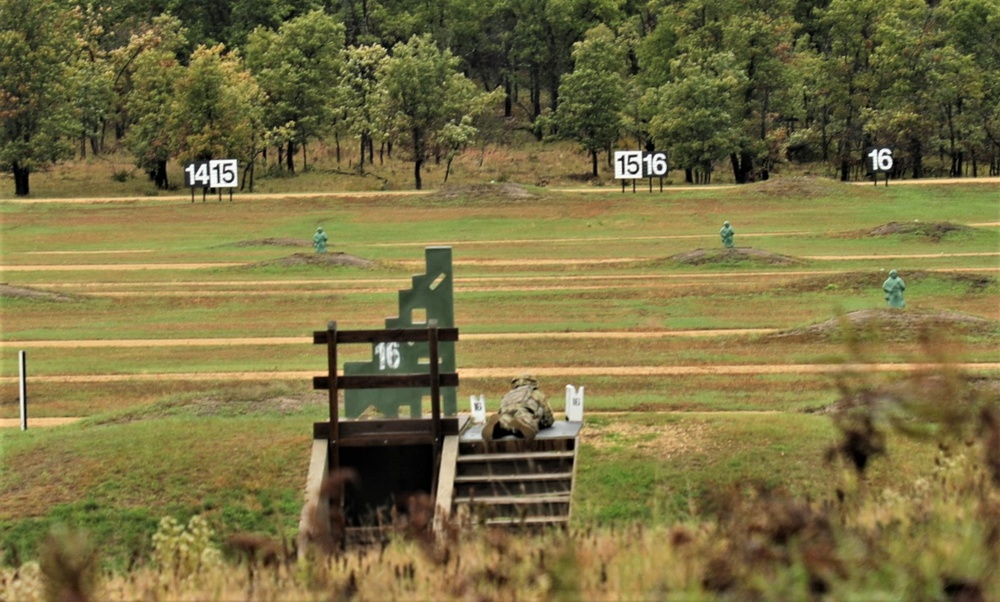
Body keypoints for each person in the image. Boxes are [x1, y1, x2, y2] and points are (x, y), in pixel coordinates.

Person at [481, 374, 554, 442]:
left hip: (505, 415)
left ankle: (496, 427)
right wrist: (544, 423)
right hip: (523, 412)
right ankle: (521, 426)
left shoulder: (509, 394)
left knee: (502, 426)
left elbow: (500, 411)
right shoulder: (535, 392)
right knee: (528, 423)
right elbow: (548, 416)